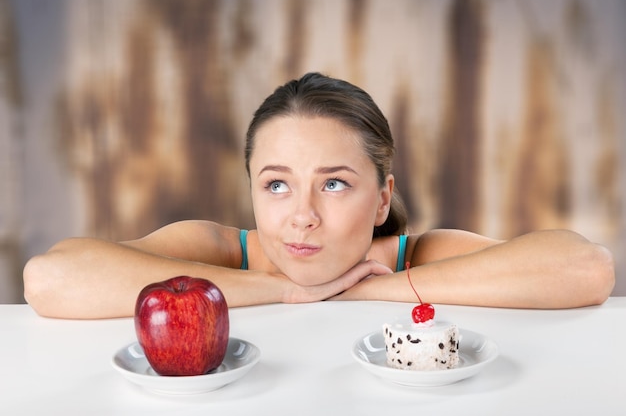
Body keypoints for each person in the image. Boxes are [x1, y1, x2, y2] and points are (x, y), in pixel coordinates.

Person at [23, 72, 615, 319]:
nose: (301, 217)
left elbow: (584, 268)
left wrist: (381, 287)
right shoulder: (218, 249)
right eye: (277, 184)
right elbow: (50, 279)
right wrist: (283, 290)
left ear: (382, 199)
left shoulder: (416, 254)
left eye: (333, 183)